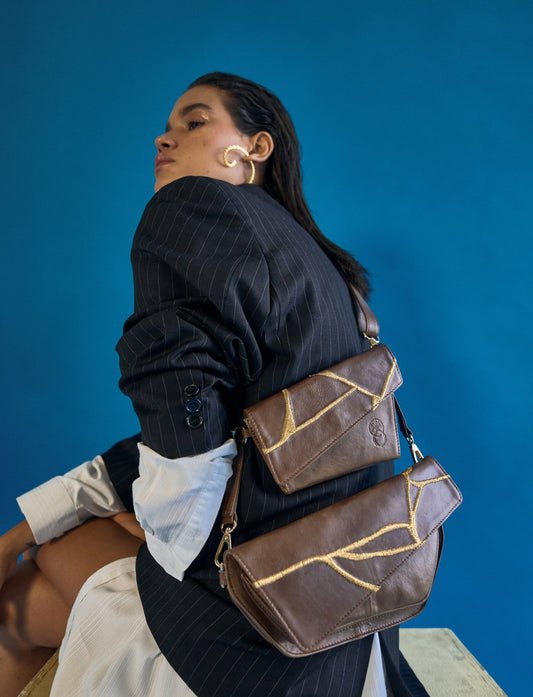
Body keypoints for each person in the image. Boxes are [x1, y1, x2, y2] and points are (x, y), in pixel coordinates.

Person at [0, 73, 425, 697]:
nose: (164, 139)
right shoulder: (327, 270)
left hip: (251, 634)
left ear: (256, 147)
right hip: (336, 619)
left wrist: (154, 527)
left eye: (193, 123)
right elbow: (247, 430)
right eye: (169, 126)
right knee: (51, 560)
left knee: (37, 579)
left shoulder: (191, 206)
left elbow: (183, 431)